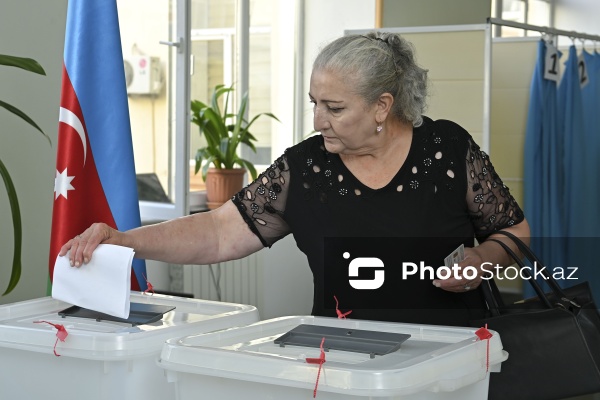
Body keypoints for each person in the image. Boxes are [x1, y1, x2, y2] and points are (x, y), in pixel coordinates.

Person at [61, 31, 529, 327]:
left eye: (335, 108)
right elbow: (220, 231)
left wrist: (483, 258)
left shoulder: (447, 150)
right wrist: (125, 240)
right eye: (314, 102)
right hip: (343, 359)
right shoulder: (306, 168)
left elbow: (514, 231)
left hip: (451, 361)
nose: (318, 120)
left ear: (382, 106)